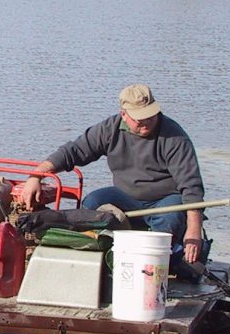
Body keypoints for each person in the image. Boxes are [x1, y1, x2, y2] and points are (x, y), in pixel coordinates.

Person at [19, 83, 205, 271]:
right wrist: (36, 176)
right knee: (92, 203)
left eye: (150, 116)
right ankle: (103, 256)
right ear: (124, 114)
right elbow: (72, 151)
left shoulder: (175, 137)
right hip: (126, 195)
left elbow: (191, 186)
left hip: (165, 198)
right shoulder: (110, 129)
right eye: (140, 119)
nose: (147, 122)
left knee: (168, 219)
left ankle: (158, 265)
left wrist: (194, 231)